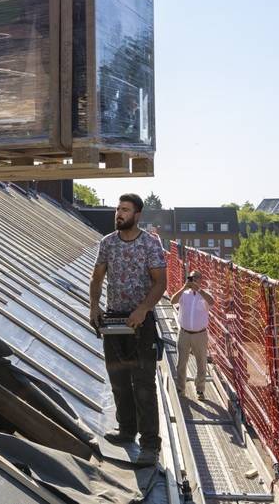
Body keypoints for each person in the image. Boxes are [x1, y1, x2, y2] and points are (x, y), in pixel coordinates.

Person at [89, 193, 168, 465]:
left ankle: (150, 445)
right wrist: (94, 307)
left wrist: (143, 309)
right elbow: (97, 277)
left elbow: (160, 282)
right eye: (117, 209)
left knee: (143, 384)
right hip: (114, 321)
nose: (119, 214)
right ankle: (126, 430)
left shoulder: (150, 243)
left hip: (141, 324)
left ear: (137, 215)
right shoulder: (108, 243)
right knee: (119, 380)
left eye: (125, 209)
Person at [169, 270, 213, 400]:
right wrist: (184, 287)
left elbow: (212, 302)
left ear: (200, 280)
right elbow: (172, 301)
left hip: (200, 334)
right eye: (191, 278)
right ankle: (181, 388)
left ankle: (200, 390)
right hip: (184, 333)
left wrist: (198, 290)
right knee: (181, 363)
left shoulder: (205, 294)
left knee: (201, 363)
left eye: (195, 278)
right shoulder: (184, 294)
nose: (193, 280)